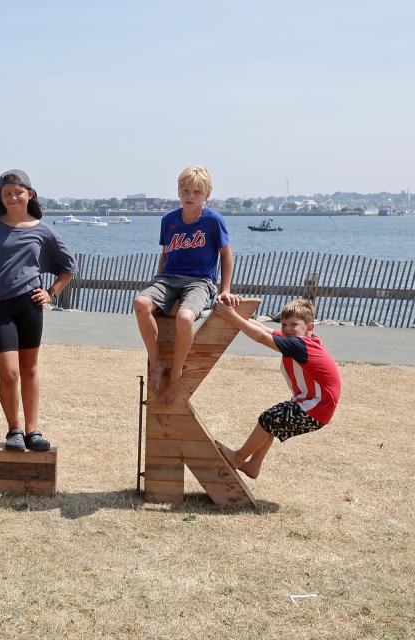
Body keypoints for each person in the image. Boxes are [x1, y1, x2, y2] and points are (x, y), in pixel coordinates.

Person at [0, 169, 75, 452]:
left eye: (18, 192)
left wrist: (51, 293)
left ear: (30, 194)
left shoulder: (43, 230)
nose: (12, 197)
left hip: (30, 305)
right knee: (9, 373)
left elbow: (69, 267)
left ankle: (32, 430)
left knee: (29, 369)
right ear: (0, 197)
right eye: (7, 193)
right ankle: (13, 428)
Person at [133, 166, 240, 405]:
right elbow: (164, 254)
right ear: (179, 192)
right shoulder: (168, 220)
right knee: (140, 302)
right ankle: (157, 363)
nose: (190, 196)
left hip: (200, 280)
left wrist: (225, 289)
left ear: (206, 195)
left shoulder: (213, 220)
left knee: (184, 318)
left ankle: (177, 373)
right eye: (185, 191)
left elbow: (227, 255)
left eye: (196, 192)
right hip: (168, 278)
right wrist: (158, 285)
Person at [212, 299, 341, 479]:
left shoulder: (299, 345)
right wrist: (237, 314)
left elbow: (261, 337)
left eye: (294, 324)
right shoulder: (298, 339)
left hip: (316, 408)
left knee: (270, 418)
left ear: (310, 328)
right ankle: (253, 466)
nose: (287, 329)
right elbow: (265, 330)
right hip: (314, 406)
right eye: (284, 324)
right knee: (272, 424)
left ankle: (238, 458)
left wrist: (231, 316)